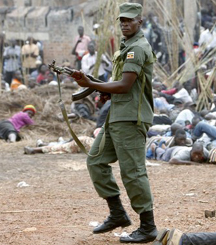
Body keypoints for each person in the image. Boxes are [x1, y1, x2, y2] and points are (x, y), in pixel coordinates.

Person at [70, 3, 158, 243]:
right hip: (117, 116)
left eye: (130, 20)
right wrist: (105, 91)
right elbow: (120, 84)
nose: (125, 24)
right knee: (96, 161)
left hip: (131, 118)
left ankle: (148, 227)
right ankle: (117, 213)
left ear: (140, 22)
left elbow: (125, 85)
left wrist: (91, 84)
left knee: (133, 172)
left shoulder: (137, 48)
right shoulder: (126, 47)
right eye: (122, 20)